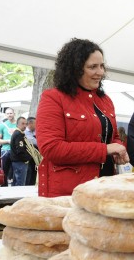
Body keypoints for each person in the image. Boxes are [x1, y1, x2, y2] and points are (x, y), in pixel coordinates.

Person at [36, 38, 129, 197]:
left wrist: (117, 149)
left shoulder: (105, 100)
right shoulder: (53, 98)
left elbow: (112, 137)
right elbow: (52, 148)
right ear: (74, 69)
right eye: (93, 67)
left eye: (101, 66)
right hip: (69, 192)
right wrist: (105, 149)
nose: (100, 72)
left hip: (105, 185)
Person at [0, 108, 16, 185]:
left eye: (11, 113)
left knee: (16, 171)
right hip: (5, 151)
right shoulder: (2, 125)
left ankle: (16, 189)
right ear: (5, 115)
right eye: (7, 113)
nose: (9, 115)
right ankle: (4, 187)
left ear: (14, 114)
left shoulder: (18, 124)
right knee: (4, 171)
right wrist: (8, 141)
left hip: (16, 152)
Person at [9, 117, 31, 186]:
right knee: (20, 184)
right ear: (17, 124)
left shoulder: (18, 133)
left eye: (26, 124)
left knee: (16, 183)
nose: (25, 125)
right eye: (22, 123)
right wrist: (27, 158)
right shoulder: (19, 134)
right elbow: (20, 150)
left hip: (17, 162)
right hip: (20, 162)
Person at [24, 116, 37, 185]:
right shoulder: (24, 132)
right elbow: (34, 142)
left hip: (36, 157)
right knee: (28, 172)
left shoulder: (37, 131)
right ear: (30, 123)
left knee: (34, 172)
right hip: (27, 157)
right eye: (36, 123)